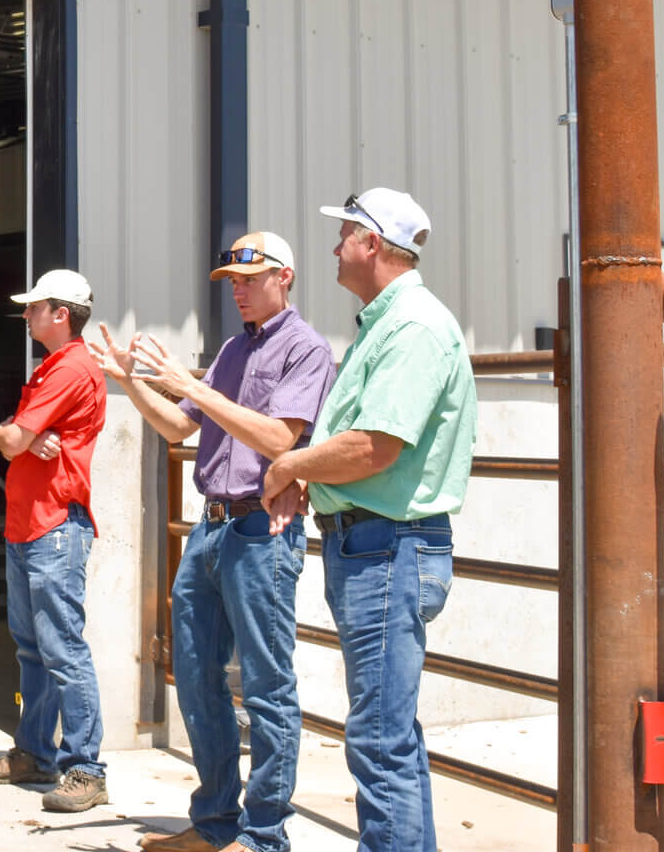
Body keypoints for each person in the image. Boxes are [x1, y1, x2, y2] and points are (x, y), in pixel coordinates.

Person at [92, 232, 336, 852]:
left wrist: (193, 385)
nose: (240, 291)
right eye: (233, 282)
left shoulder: (305, 350)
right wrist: (133, 382)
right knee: (197, 677)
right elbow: (181, 426)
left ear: (286, 277)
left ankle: (262, 836)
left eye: (250, 280)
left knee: (265, 685)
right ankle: (215, 823)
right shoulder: (234, 348)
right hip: (214, 525)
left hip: (260, 529)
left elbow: (282, 439)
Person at [261, 189, 477, 852]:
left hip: (388, 552)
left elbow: (373, 445)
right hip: (378, 548)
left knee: (380, 738)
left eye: (346, 233)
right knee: (390, 734)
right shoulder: (389, 323)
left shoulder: (410, 327)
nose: (336, 247)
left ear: (374, 246)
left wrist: (293, 467)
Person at [0, 268, 109, 815]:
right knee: (35, 649)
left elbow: (9, 440)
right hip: (31, 525)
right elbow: (6, 434)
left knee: (61, 649)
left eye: (34, 307)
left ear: (61, 314)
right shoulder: (53, 367)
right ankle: (34, 752)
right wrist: (18, 434)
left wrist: (19, 435)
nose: (25, 314)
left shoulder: (70, 367)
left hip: (52, 527)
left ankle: (85, 768)